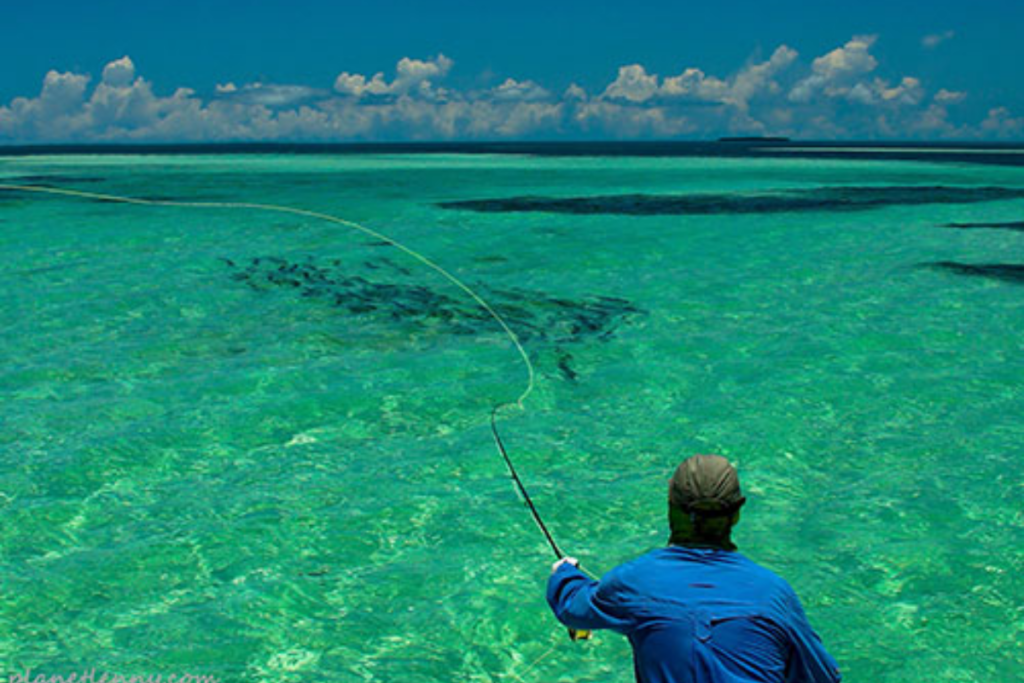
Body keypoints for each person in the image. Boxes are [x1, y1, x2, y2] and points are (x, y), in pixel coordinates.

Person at [547, 454, 841, 683]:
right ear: (737, 512)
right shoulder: (774, 593)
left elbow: (573, 608)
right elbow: (824, 676)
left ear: (670, 505)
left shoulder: (637, 581)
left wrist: (564, 572)